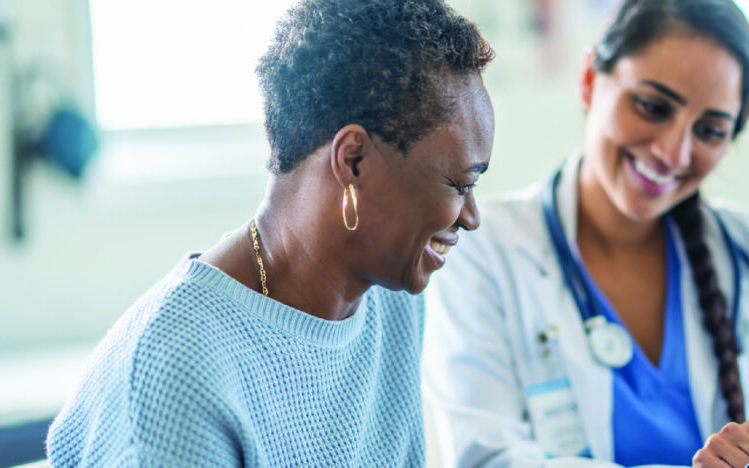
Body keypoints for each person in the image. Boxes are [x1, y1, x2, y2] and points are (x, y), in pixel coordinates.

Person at [421, 0, 749, 467]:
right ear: (588, 79)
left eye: (709, 130)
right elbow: (487, 457)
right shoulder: (484, 252)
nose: (673, 152)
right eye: (652, 106)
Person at [46, 0, 495, 465]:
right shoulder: (180, 371)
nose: (471, 216)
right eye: (460, 185)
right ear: (353, 160)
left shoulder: (392, 292)